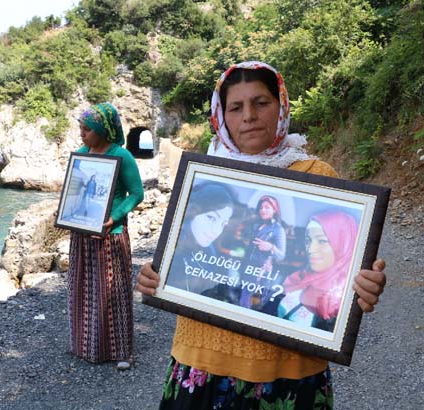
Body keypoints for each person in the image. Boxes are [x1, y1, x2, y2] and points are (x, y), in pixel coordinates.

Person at [136, 61, 387, 409]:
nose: (249, 116)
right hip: (201, 360)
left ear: (281, 106)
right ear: (221, 116)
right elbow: (186, 254)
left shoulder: (317, 175)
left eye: (261, 103)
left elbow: (341, 264)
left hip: (288, 370)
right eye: (235, 107)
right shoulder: (202, 177)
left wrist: (362, 286)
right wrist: (156, 276)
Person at [67, 102, 144, 371]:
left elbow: (136, 193)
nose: (82, 134)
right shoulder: (81, 154)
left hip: (111, 234)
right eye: (81, 128)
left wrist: (116, 216)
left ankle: (122, 351)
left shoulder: (122, 156)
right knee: (83, 288)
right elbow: (74, 191)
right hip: (83, 232)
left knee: (114, 292)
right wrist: (67, 210)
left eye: (87, 129)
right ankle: (85, 345)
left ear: (102, 130)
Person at [278, 211, 358, 332]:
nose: (311, 249)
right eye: (308, 240)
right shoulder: (296, 280)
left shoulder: (350, 296)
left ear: (343, 243)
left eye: (322, 241)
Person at [164, 182, 235, 295]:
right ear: (193, 211)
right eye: (211, 218)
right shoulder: (170, 248)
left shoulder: (210, 252)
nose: (216, 231)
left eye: (223, 224)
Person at [240, 195, 286, 310]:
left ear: (274, 210)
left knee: (255, 306)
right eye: (261, 208)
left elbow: (281, 255)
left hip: (261, 275)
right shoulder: (256, 225)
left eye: (267, 207)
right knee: (242, 303)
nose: (262, 210)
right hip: (247, 271)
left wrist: (271, 247)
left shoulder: (278, 229)